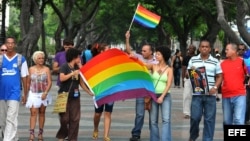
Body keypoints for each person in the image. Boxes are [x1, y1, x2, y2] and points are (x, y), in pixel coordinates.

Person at [125, 31, 158, 141]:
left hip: (152, 90)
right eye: (142, 51)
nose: (142, 52)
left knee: (152, 115)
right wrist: (127, 39)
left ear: (150, 52)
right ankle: (136, 134)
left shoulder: (157, 61)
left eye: (144, 51)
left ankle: (153, 134)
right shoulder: (139, 57)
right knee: (139, 114)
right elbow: (129, 51)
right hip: (141, 90)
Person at [188, 40, 222, 141]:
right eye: (202, 46)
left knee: (209, 120)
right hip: (197, 93)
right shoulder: (193, 60)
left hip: (210, 95)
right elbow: (187, 74)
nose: (204, 48)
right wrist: (192, 71)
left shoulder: (215, 61)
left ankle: (207, 139)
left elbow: (220, 76)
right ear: (199, 48)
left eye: (206, 47)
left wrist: (215, 88)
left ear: (210, 49)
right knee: (195, 117)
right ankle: (193, 135)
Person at [56, 48, 93, 141]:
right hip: (63, 95)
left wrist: (88, 91)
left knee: (75, 119)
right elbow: (62, 78)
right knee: (64, 118)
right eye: (78, 57)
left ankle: (72, 138)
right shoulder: (64, 66)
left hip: (75, 96)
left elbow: (81, 82)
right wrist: (72, 74)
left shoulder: (78, 68)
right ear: (74, 57)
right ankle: (62, 135)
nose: (79, 59)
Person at [0, 37, 29, 141]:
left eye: (12, 43)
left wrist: (25, 94)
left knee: (10, 118)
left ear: (15, 44)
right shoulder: (1, 59)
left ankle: (7, 139)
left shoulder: (21, 59)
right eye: (8, 43)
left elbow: (25, 77)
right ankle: (14, 137)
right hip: (1, 94)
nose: (10, 45)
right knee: (2, 120)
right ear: (5, 44)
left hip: (14, 93)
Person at [145, 46, 173, 141]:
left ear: (164, 56)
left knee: (166, 120)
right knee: (153, 121)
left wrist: (162, 96)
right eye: (156, 53)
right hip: (153, 95)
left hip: (165, 96)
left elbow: (168, 85)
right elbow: (142, 65)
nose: (156, 55)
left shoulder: (169, 69)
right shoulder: (153, 66)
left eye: (158, 54)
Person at [25, 51, 52, 141]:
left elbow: (49, 82)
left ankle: (40, 133)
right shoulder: (31, 69)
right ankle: (31, 133)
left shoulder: (47, 69)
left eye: (42, 58)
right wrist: (25, 95)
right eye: (39, 58)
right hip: (33, 93)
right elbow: (28, 82)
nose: (41, 60)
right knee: (33, 112)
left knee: (42, 112)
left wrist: (45, 93)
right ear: (35, 59)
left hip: (43, 93)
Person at [90, 43, 114, 141]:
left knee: (108, 113)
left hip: (110, 91)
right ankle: (96, 128)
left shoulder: (112, 62)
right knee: (97, 114)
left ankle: (106, 135)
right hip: (99, 91)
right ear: (101, 51)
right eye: (107, 49)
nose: (109, 51)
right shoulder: (95, 62)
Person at [220, 43, 246, 125]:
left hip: (240, 95)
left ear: (234, 51)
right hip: (226, 96)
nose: (225, 51)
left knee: (238, 120)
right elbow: (219, 78)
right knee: (227, 122)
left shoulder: (243, 62)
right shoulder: (223, 64)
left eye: (227, 49)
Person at [182, 45, 196, 119]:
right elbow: (184, 68)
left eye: (192, 48)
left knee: (195, 95)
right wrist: (183, 79)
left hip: (196, 76)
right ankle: (186, 112)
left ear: (194, 49)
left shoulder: (197, 57)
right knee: (187, 95)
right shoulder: (186, 58)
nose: (190, 49)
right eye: (189, 48)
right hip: (187, 77)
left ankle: (194, 111)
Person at [238, 43, 250, 125]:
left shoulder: (247, 58)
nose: (241, 51)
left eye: (243, 49)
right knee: (245, 102)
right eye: (240, 49)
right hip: (241, 85)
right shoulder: (235, 60)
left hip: (247, 84)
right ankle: (245, 119)